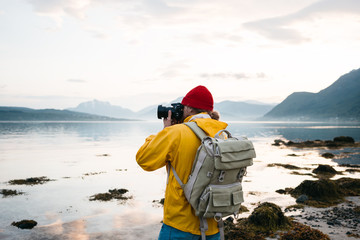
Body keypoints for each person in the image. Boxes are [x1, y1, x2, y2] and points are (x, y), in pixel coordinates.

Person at [136, 85, 228, 240]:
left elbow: (144, 160)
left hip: (180, 226)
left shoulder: (175, 133)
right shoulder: (222, 135)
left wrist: (164, 131)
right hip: (212, 225)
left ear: (190, 110)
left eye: (183, 107)